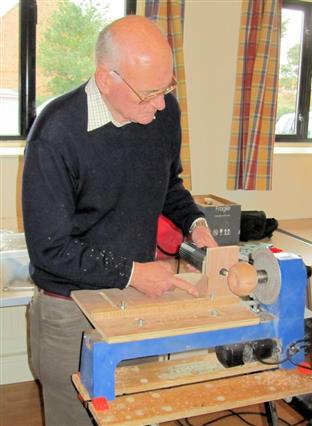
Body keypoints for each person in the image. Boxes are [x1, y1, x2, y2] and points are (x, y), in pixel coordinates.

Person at [22, 15, 217, 426]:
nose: (162, 105)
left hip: (140, 298)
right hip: (71, 307)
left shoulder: (162, 113)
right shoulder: (56, 133)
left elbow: (169, 187)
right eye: (149, 94)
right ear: (105, 78)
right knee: (73, 416)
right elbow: (49, 250)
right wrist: (132, 273)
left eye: (167, 89)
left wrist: (196, 222)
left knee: (134, 413)